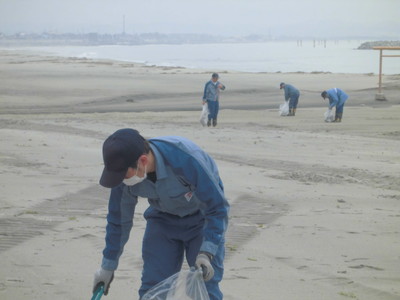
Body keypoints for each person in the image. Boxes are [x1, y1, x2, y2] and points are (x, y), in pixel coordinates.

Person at [93, 128, 229, 300]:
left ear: (142, 160)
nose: (121, 180)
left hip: (202, 221)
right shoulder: (123, 176)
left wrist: (207, 251)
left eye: (123, 175)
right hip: (162, 220)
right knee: (153, 289)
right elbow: (118, 222)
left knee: (205, 286)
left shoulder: (186, 159)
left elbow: (217, 207)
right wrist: (107, 267)